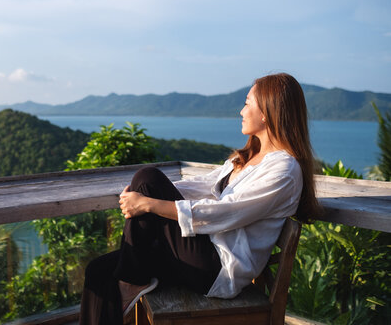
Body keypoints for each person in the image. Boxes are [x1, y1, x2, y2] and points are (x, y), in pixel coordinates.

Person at [79, 73, 322, 325]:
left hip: (217, 268)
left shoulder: (284, 170)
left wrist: (149, 202)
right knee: (98, 270)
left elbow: (226, 212)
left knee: (147, 176)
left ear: (267, 112)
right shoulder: (251, 157)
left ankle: (132, 280)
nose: (241, 111)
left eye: (247, 103)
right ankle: (131, 279)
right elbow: (205, 186)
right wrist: (145, 192)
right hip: (200, 250)